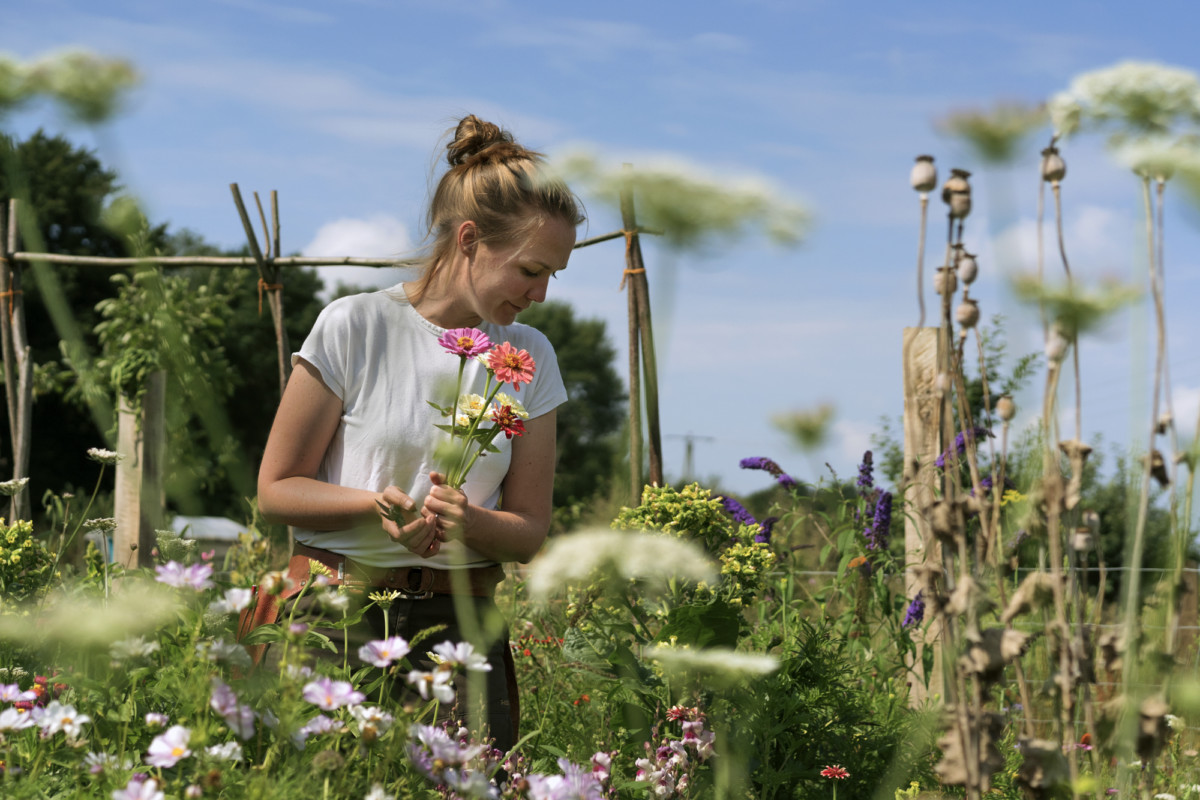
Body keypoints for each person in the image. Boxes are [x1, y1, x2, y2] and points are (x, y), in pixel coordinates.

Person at [255, 114, 583, 753]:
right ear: (469, 239)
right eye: (530, 270)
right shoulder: (356, 325)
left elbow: (529, 531)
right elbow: (276, 490)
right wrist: (378, 505)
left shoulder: (530, 355)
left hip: (459, 631)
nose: (541, 294)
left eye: (553, 276)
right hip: (333, 618)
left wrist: (469, 523)